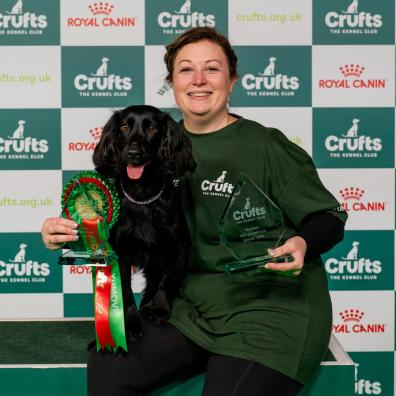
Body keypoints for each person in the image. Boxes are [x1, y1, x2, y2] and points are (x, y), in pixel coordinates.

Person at [41, 27, 347, 396]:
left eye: (212, 69)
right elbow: (114, 227)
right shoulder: (148, 148)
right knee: (108, 366)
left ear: (232, 80)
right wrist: (66, 233)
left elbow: (328, 218)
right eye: (186, 69)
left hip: (268, 310)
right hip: (191, 307)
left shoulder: (265, 145)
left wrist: (303, 242)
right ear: (171, 81)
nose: (198, 80)